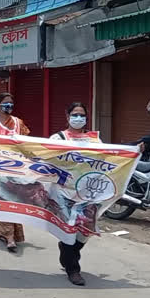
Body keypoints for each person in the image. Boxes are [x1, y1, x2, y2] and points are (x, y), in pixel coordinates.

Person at [50, 102, 102, 287]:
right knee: (69, 230)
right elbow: (47, 158)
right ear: (67, 115)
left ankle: (67, 250)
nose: (78, 118)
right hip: (64, 192)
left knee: (85, 231)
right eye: (75, 114)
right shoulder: (58, 138)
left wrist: (135, 150)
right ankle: (73, 270)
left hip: (88, 192)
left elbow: (108, 157)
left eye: (82, 115)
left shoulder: (94, 139)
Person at [0, 93, 30, 252]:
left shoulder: (19, 122)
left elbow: (27, 143)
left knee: (15, 200)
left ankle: (3, 232)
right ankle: (9, 237)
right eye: (5, 103)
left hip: (17, 167)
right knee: (3, 199)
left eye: (11, 103)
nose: (9, 106)